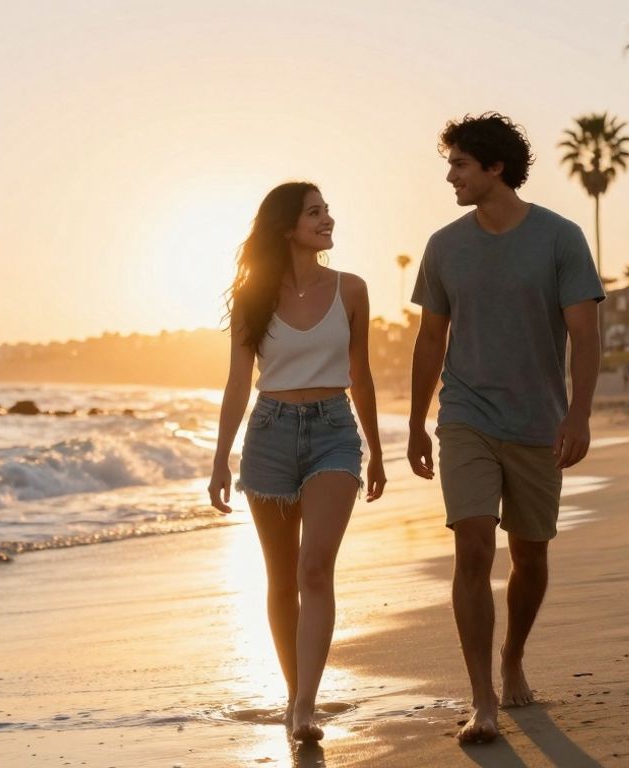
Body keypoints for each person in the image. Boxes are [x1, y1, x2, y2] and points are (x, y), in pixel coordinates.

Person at [407, 113, 604, 744]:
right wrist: (416, 422)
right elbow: (430, 339)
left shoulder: (560, 238)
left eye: (460, 164)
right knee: (471, 546)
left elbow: (585, 335)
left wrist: (579, 415)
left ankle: (513, 654)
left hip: (538, 422)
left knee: (531, 556)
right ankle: (482, 698)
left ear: (496, 167)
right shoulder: (443, 246)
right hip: (465, 415)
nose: (450, 176)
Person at [207, 181, 386, 743]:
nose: (327, 218)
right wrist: (219, 459)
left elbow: (360, 372)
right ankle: (293, 694)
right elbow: (239, 384)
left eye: (327, 209)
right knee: (282, 579)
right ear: (287, 227)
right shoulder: (252, 297)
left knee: (315, 570)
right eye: (314, 212)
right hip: (270, 435)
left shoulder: (351, 289)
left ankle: (306, 706)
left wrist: (377, 448)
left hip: (334, 433)